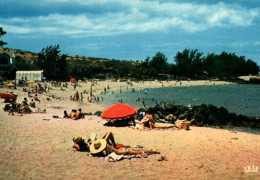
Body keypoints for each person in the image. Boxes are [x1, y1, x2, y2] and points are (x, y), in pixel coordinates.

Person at [90, 132, 160, 156]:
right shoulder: (106, 144)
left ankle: (154, 151)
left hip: (123, 151)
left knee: (139, 151)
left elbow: (108, 154)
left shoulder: (105, 147)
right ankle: (154, 151)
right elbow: (107, 135)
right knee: (140, 150)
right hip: (121, 149)